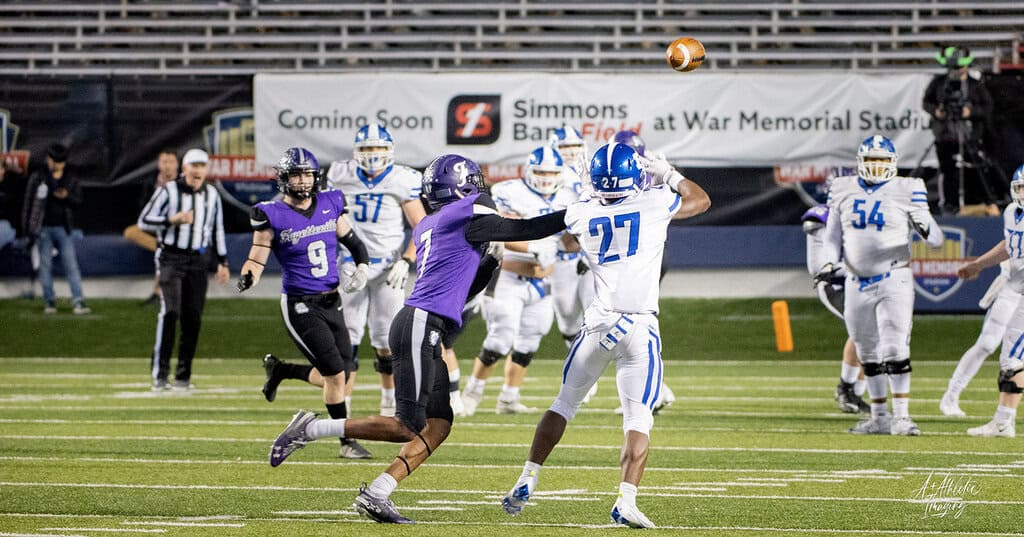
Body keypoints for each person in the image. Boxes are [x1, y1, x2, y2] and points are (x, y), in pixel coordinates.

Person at [268, 153, 568, 524]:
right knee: (405, 425)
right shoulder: (465, 214)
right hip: (420, 323)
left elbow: (463, 288)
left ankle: (378, 492)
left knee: (439, 424)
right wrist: (576, 214)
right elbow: (527, 230)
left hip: (426, 324)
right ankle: (310, 429)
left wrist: (489, 264)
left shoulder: (432, 223)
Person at [501, 142, 710, 528]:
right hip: (640, 324)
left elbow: (563, 240)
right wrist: (669, 174)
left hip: (599, 323)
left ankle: (528, 475)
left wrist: (587, 195)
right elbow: (700, 201)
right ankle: (626, 500)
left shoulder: (581, 212)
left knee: (564, 403)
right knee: (638, 418)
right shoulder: (654, 202)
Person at [239, 147, 374, 460]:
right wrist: (249, 276)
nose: (302, 181)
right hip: (301, 305)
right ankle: (346, 442)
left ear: (316, 177)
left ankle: (282, 370)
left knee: (343, 373)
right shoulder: (271, 213)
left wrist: (363, 267)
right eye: (296, 175)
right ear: (284, 179)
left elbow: (353, 241)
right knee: (335, 374)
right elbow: (257, 256)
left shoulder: (330, 203)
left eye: (307, 174)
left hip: (332, 299)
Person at [814, 135, 943, 435]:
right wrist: (828, 263)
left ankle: (902, 417)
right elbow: (832, 237)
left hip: (894, 277)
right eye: (871, 160)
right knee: (867, 351)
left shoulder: (908, 188)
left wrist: (925, 226)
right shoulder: (842, 187)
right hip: (856, 280)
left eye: (882, 160)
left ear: (893, 163)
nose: (876, 165)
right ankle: (880, 417)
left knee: (895, 346)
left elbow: (936, 239)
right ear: (860, 162)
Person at [325, 124, 426, 418]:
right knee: (348, 339)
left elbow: (421, 226)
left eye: (378, 148)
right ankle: (343, 405)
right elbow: (326, 217)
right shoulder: (340, 174)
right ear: (356, 151)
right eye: (367, 148)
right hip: (351, 262)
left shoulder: (402, 179)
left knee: (386, 339)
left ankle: (389, 400)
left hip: (388, 266)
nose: (372, 154)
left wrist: (406, 260)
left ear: (389, 150)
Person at [460, 146, 570, 416]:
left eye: (551, 173)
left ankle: (509, 397)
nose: (546, 178)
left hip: (542, 282)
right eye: (541, 172)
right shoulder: (509, 191)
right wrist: (533, 247)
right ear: (529, 171)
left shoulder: (569, 195)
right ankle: (471, 393)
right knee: (500, 339)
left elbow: (569, 239)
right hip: (507, 277)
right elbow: (498, 230)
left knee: (530, 340)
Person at [138, 148, 230, 391]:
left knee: (193, 318)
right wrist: (171, 220)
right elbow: (143, 220)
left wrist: (223, 262)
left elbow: (217, 229)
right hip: (171, 257)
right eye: (194, 166)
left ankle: (183, 376)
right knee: (170, 312)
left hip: (198, 261)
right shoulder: (168, 190)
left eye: (202, 166)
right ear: (185, 168)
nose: (198, 170)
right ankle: (160, 374)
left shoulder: (211, 194)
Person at [956, 163, 1024, 437]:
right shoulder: (1012, 213)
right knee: (1011, 360)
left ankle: (1003, 422)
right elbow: (1010, 246)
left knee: (1013, 359)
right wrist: (979, 264)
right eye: (1022, 188)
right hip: (1020, 293)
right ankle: (1003, 422)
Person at [802, 204, 869, 414]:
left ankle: (856, 393)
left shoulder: (869, 210)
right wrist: (858, 267)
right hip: (835, 285)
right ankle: (846, 389)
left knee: (877, 335)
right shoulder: (821, 216)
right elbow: (818, 268)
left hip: (864, 283)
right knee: (863, 329)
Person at [922, 46, 1001, 214]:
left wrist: (970, 112)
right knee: (947, 170)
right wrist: (937, 111)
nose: (957, 70)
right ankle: (949, 205)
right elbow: (927, 102)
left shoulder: (975, 85)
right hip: (945, 135)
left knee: (977, 168)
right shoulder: (939, 82)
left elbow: (988, 107)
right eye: (954, 67)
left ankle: (988, 202)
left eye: (959, 67)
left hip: (969, 135)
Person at [941, 261, 1022, 417]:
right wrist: (978, 264)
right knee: (987, 344)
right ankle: (951, 396)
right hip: (1011, 287)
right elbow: (1005, 248)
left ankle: (1007, 412)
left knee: (1016, 356)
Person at [21, 142, 90, 314]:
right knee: (45, 266)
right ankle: (49, 301)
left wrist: (67, 196)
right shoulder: (38, 176)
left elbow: (79, 201)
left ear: (63, 163)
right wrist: (27, 230)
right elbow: (28, 203)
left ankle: (78, 301)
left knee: (71, 265)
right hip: (43, 228)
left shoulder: (70, 178)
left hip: (64, 228)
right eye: (52, 161)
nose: (54, 164)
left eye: (58, 162)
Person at [124, 148, 179, 305]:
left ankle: (158, 291)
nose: (167, 166)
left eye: (171, 162)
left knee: (165, 255)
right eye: (164, 162)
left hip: (175, 229)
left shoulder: (183, 183)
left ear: (177, 164)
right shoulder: (151, 183)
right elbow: (143, 211)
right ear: (158, 164)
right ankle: (164, 249)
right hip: (154, 226)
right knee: (130, 232)